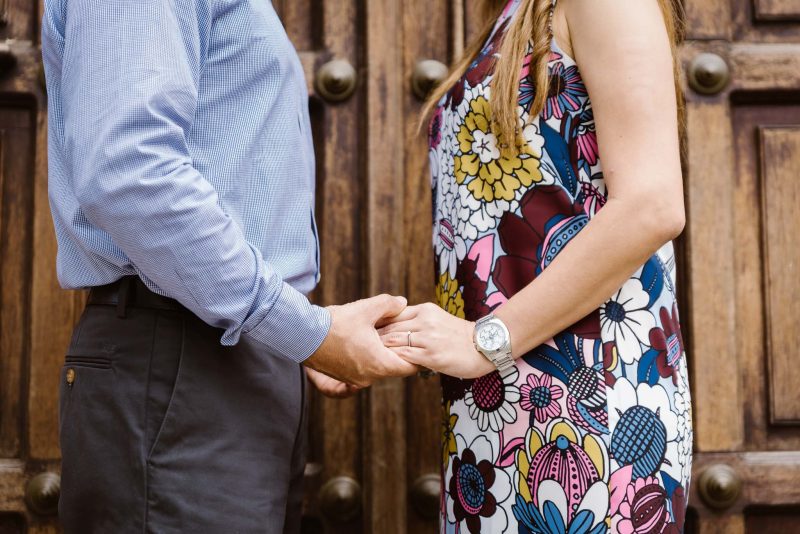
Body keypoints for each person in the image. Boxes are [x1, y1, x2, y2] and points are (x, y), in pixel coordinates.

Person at [42, 1, 414, 532]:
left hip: (227, 356)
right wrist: (305, 332)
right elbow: (131, 171)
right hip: (178, 363)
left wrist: (289, 334)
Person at [379, 0, 692, 531]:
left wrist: (484, 341)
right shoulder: (518, 10)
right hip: (496, 410)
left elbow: (651, 205)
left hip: (588, 412)